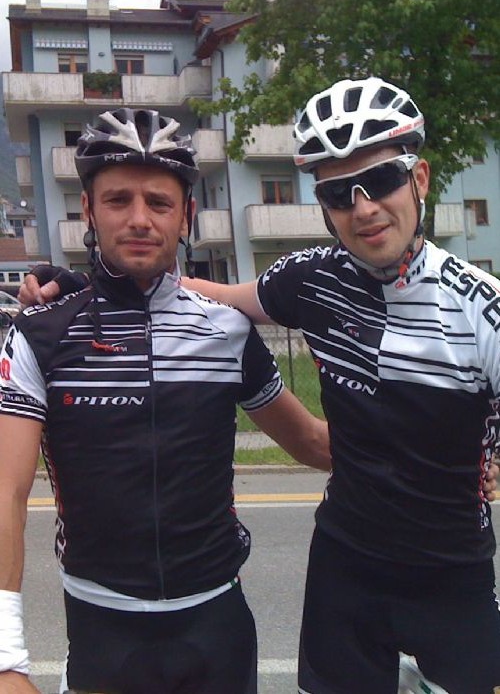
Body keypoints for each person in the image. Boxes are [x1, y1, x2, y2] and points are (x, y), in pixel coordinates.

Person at [17, 81, 500, 694]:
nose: (363, 209)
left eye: (380, 181)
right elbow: (200, 293)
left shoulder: (483, 310)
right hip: (345, 563)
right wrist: (80, 292)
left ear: (420, 179)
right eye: (337, 193)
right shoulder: (309, 278)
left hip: (451, 570)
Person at [0, 107, 332, 694]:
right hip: (103, 628)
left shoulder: (226, 330)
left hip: (217, 625)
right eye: (117, 200)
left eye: (158, 202)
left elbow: (310, 441)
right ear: (88, 211)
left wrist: (449, 461)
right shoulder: (39, 334)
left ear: (186, 217)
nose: (139, 219)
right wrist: (6, 657)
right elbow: (6, 492)